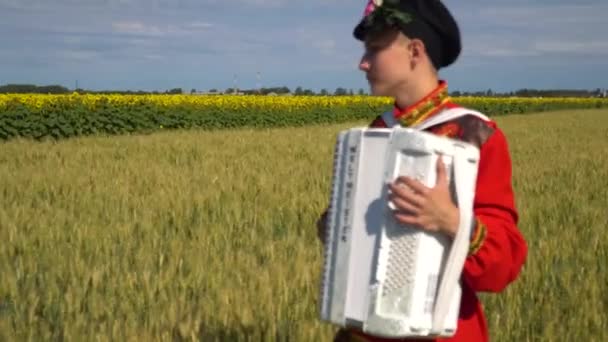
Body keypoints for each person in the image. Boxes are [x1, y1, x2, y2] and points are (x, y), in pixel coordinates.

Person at [316, 0, 528, 341]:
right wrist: (336, 224)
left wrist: (450, 221)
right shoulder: (374, 133)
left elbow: (503, 267)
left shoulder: (475, 134)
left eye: (374, 48)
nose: (362, 63)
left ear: (415, 51)